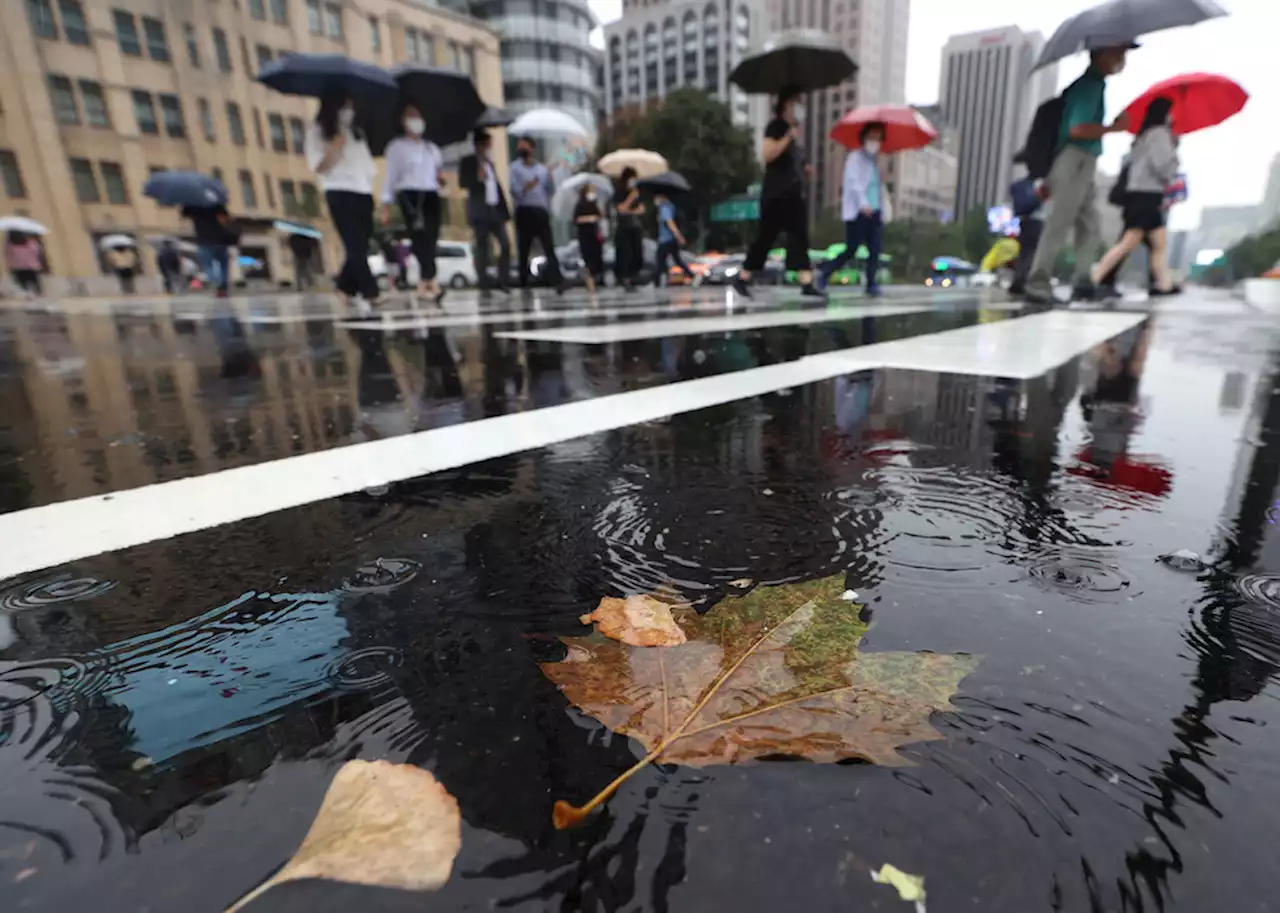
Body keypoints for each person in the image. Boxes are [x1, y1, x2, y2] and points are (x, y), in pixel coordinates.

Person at [1022, 45, 1135, 306]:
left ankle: (1083, 282)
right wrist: (1114, 128)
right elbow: (1078, 129)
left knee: (1090, 224)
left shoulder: (1093, 85)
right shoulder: (1089, 86)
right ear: (1102, 54)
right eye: (1119, 54)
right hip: (1075, 159)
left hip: (1082, 161)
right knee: (1059, 222)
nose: (1122, 60)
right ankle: (1037, 283)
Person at [731, 86, 824, 300]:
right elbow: (768, 154)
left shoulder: (795, 132)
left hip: (793, 194)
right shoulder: (776, 127)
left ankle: (806, 282)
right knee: (765, 237)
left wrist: (806, 169)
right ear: (785, 105)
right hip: (776, 194)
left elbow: (793, 162)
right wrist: (787, 138)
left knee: (800, 237)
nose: (800, 107)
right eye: (796, 102)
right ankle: (743, 277)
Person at [1091, 96, 1180, 297]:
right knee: (1129, 242)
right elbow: (1162, 165)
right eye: (1171, 111)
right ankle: (1095, 279)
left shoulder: (1144, 136)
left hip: (1142, 195)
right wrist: (1174, 156)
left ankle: (1163, 284)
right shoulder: (1159, 134)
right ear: (1164, 113)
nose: (1173, 116)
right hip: (1147, 195)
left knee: (1159, 243)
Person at [306, 91, 381, 310]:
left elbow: (366, 164)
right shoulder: (317, 131)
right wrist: (334, 147)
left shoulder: (356, 132)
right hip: (338, 191)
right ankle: (370, 291)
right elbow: (318, 166)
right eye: (344, 105)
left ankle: (345, 287)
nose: (349, 110)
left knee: (362, 243)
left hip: (363, 192)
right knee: (354, 243)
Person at [381, 103, 447, 304]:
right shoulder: (397, 147)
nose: (416, 120)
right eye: (411, 115)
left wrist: (441, 179)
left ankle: (426, 281)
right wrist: (386, 203)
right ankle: (429, 281)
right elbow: (391, 176)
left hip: (431, 193)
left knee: (432, 236)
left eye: (418, 115)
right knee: (420, 236)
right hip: (409, 194)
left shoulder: (431, 148)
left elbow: (437, 172)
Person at [817, 122, 886, 296]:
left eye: (878, 138)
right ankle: (825, 274)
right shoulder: (855, 158)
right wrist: (863, 204)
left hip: (875, 212)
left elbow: (877, 189)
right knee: (851, 249)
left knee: (875, 249)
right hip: (859, 212)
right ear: (863, 138)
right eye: (871, 137)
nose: (874, 142)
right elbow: (853, 183)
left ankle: (871, 284)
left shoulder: (874, 162)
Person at [458, 129, 511, 296]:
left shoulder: (490, 163)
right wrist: (478, 177)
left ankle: (503, 280)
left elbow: (496, 188)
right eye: (487, 144)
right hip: (480, 212)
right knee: (482, 248)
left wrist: (505, 211)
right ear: (479, 145)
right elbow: (463, 183)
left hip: (495, 210)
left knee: (505, 244)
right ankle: (484, 283)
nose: (489, 147)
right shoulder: (468, 162)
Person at [509, 136, 564, 292]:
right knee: (524, 248)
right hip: (524, 210)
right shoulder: (515, 168)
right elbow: (514, 191)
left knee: (548, 246)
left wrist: (551, 178)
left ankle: (557, 280)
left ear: (531, 148)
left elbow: (549, 190)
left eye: (524, 147)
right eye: (519, 147)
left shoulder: (542, 169)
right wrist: (527, 186)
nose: (521, 150)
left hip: (540, 211)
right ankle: (523, 281)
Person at [1008, 151, 1045, 297]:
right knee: (1028, 252)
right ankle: (1021, 279)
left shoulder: (1050, 183)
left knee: (1033, 253)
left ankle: (1027, 279)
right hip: (1029, 224)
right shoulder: (1020, 186)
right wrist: (1039, 197)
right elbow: (1021, 207)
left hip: (1042, 224)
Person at [182, 204, 231, 297]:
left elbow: (184, 215)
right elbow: (225, 217)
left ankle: (215, 282)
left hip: (203, 241)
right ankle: (223, 285)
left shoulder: (192, 203)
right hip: (220, 239)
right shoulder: (216, 202)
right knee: (223, 264)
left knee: (207, 265)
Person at [653, 191, 696, 288]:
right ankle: (692, 275)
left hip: (665, 240)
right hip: (669, 239)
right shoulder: (669, 206)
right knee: (676, 260)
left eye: (656, 197)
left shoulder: (665, 207)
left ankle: (657, 282)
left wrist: (679, 236)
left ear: (661, 197)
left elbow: (670, 223)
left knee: (660, 261)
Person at [613, 166, 645, 291]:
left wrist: (632, 209)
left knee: (637, 252)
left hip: (635, 227)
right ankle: (624, 278)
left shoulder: (637, 191)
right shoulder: (620, 192)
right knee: (626, 253)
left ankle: (634, 275)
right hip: (624, 227)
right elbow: (621, 209)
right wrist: (631, 198)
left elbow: (641, 209)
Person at [573, 182, 606, 294]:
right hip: (584, 234)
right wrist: (589, 218)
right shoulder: (580, 204)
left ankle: (599, 279)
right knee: (587, 258)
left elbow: (600, 216)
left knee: (597, 257)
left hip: (595, 234)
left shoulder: (595, 203)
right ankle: (589, 281)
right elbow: (576, 219)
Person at [5, 231, 44, 297]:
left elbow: (9, 255)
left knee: (23, 284)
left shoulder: (10, 245)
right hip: (31, 266)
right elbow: (37, 252)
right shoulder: (31, 243)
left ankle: (28, 294)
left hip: (17, 267)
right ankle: (37, 294)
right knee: (35, 283)